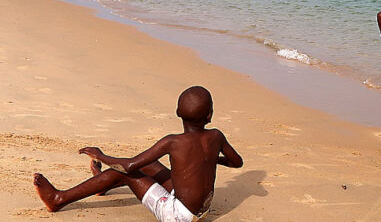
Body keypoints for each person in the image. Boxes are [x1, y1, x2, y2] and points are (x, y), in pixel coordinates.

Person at [33, 86, 243, 221]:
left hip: (177, 216)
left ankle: (58, 198)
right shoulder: (216, 136)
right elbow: (237, 163)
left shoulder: (173, 142)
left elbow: (130, 166)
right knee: (149, 166)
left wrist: (102, 156)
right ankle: (101, 184)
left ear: (178, 113)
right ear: (210, 115)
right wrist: (209, 159)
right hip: (201, 211)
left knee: (124, 172)